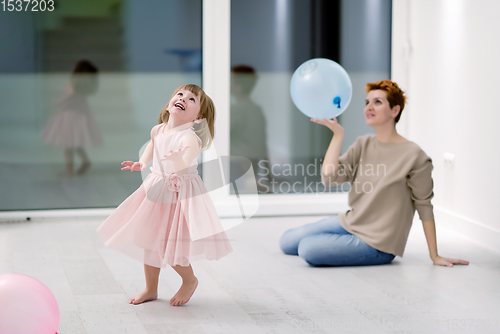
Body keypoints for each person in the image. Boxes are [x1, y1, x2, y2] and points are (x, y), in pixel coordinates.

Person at [279, 80, 469, 268]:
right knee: (287, 241)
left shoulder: (415, 156)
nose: (369, 107)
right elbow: (328, 179)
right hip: (352, 222)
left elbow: (424, 205)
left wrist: (434, 255)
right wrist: (337, 135)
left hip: (378, 244)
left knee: (308, 249)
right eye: (367, 102)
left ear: (395, 111)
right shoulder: (363, 144)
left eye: (377, 102)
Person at [96, 84, 233, 306]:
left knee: (169, 245)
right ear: (170, 103)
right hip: (156, 187)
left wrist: (178, 159)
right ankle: (151, 288)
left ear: (198, 117)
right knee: (148, 240)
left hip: (179, 194)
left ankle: (189, 280)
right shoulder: (158, 129)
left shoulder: (190, 138)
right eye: (180, 95)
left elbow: (186, 160)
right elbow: (153, 144)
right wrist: (142, 162)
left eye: (191, 100)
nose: (183, 99)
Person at [39, 59, 102, 176]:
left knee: (68, 144)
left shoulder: (75, 84)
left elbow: (70, 96)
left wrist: (58, 102)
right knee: (73, 143)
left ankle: (70, 169)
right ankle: (84, 161)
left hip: (70, 117)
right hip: (76, 116)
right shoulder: (82, 86)